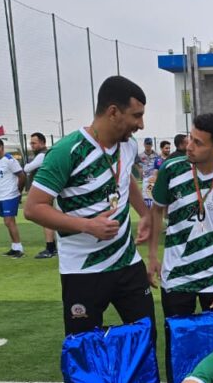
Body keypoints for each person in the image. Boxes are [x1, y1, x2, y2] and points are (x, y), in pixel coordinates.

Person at [24, 75, 155, 339]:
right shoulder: (67, 151)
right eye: (136, 115)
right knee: (84, 346)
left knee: (145, 338)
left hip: (127, 262)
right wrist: (87, 225)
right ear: (113, 112)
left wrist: (145, 214)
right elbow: (33, 207)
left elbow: (124, 177)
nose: (141, 124)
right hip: (82, 270)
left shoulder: (128, 145)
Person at [148, 112, 213, 383]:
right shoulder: (172, 169)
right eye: (190, 138)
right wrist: (153, 256)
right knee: (176, 344)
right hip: (175, 276)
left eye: (197, 142)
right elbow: (156, 211)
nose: (189, 146)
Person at [0, 136, 26, 257]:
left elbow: (22, 176)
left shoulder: (10, 160)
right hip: (2, 196)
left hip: (11, 195)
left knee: (9, 221)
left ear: (1, 147)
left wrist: (18, 191)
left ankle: (19, 248)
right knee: (7, 222)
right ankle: (14, 247)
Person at [22, 132, 57, 259]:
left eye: (34, 143)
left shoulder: (42, 155)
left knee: (46, 219)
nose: (31, 145)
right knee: (48, 219)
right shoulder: (44, 154)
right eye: (31, 143)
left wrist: (27, 165)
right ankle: (52, 247)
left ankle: (50, 248)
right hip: (47, 190)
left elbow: (27, 168)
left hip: (44, 192)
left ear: (42, 143)